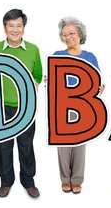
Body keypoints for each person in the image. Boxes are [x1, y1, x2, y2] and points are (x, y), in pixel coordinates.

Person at [0, 9, 42, 198]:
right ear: (4, 27)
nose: (15, 30)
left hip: (26, 107)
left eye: (19, 26)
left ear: (24, 28)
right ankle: (5, 182)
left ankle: (28, 181)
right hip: (1, 107)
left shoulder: (33, 49)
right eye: (11, 26)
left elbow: (38, 74)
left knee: (26, 145)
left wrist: (36, 81)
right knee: (4, 146)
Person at [43, 16, 105, 194]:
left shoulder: (89, 57)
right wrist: (48, 79)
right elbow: (52, 80)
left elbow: (97, 81)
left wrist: (100, 88)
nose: (68, 37)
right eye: (64, 34)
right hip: (62, 106)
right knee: (63, 145)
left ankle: (77, 179)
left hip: (83, 107)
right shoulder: (58, 56)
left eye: (71, 33)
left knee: (80, 143)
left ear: (80, 34)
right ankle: (65, 179)